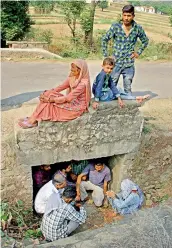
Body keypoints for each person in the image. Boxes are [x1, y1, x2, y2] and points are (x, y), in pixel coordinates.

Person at [18, 59, 91, 128]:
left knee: (49, 103)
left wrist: (50, 99)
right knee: (48, 94)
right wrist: (46, 93)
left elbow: (68, 98)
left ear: (80, 70)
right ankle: (33, 117)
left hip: (76, 107)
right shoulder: (72, 77)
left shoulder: (83, 84)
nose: (71, 71)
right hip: (71, 101)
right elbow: (60, 87)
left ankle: (33, 120)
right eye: (71, 69)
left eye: (73, 70)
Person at [102, 5, 149, 95]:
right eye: (124, 15)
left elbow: (145, 41)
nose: (126, 18)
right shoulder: (115, 27)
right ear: (122, 15)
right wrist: (106, 56)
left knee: (127, 89)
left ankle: (129, 107)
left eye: (129, 16)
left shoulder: (137, 28)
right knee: (111, 87)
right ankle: (110, 107)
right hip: (115, 63)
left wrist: (138, 52)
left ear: (133, 16)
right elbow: (104, 39)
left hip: (129, 64)